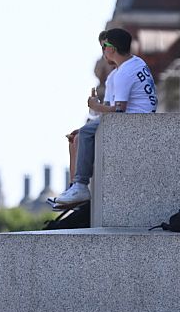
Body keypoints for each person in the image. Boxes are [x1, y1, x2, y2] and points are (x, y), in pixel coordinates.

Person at [51, 28, 158, 206]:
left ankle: (81, 186)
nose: (102, 52)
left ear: (111, 48)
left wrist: (94, 106)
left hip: (136, 121)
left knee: (85, 132)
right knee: (77, 137)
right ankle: (74, 190)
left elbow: (118, 111)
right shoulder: (130, 66)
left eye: (103, 47)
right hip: (130, 118)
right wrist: (98, 109)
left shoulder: (123, 73)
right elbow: (109, 110)